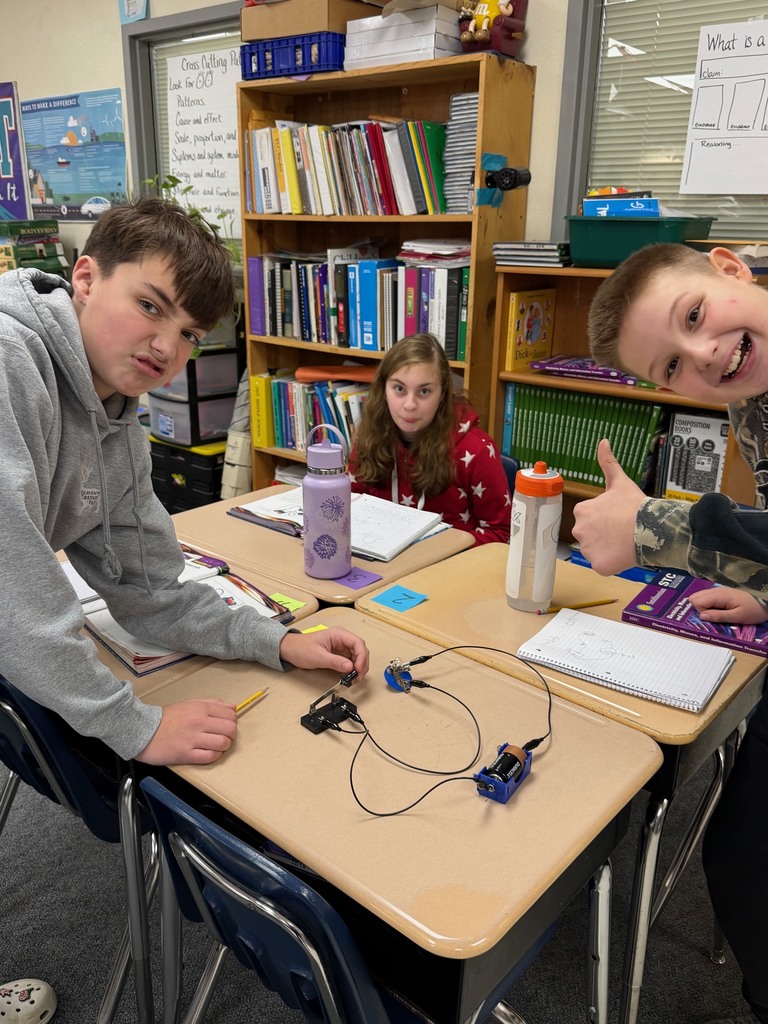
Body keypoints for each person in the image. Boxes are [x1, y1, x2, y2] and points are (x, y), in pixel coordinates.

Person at [0, 195, 369, 770]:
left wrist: (276, 641)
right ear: (87, 278)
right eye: (149, 306)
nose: (168, 347)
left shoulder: (119, 424)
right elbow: (11, 595)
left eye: (190, 333)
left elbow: (154, 594)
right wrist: (135, 727)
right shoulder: (8, 361)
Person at [571, 241, 768, 1024]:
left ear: (730, 268)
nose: (702, 356)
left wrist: (652, 526)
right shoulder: (750, 398)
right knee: (742, 857)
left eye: (694, 316)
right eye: (671, 369)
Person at [349, 332, 511, 544]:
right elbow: (352, 506)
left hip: (449, 568)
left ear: (443, 393)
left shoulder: (477, 451)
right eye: (399, 389)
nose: (409, 405)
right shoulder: (369, 436)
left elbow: (501, 533)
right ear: (383, 388)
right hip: (380, 563)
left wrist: (439, 549)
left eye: (424, 391)